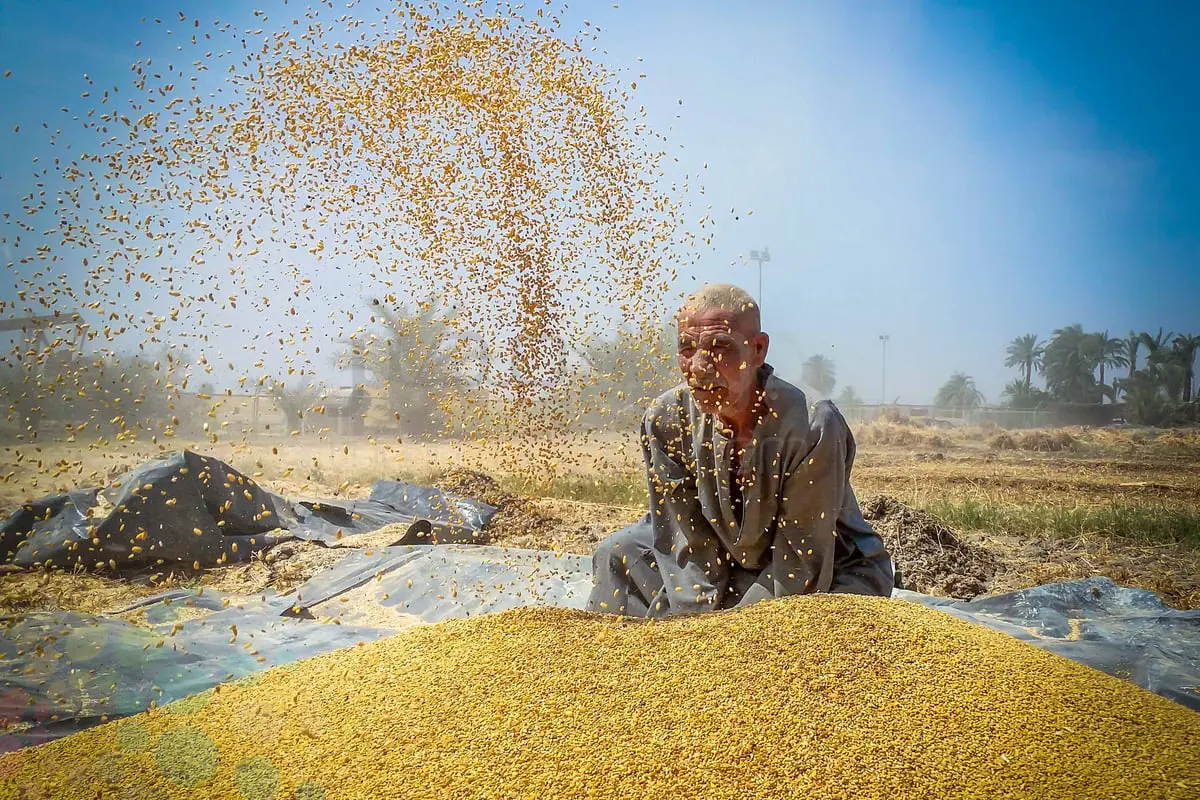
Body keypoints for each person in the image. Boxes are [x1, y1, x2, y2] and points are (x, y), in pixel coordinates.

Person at [587, 283, 894, 617]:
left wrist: (729, 636)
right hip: (719, 560)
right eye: (687, 348)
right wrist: (692, 625)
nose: (700, 367)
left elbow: (800, 561)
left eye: (720, 347)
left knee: (823, 621)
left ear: (758, 350)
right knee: (619, 553)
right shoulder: (667, 420)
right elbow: (686, 539)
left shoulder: (810, 425)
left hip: (821, 563)